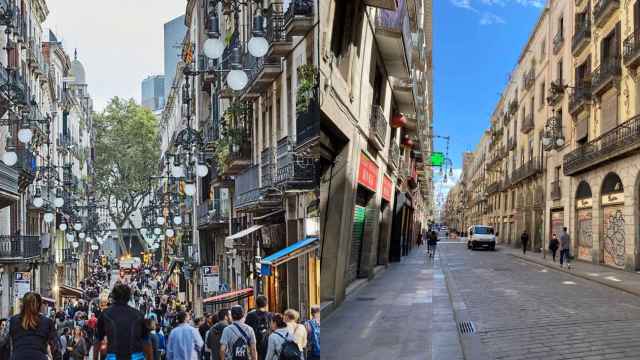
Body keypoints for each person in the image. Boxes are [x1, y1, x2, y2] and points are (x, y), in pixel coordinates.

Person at [95, 283, 152, 360]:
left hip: (113, 356)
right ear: (129, 297)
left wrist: (95, 358)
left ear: (113, 297)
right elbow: (147, 342)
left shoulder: (105, 315)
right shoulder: (139, 315)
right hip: (135, 356)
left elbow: (98, 340)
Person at [5, 292, 63, 360]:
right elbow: (56, 346)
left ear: (23, 305)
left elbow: (5, 344)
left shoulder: (12, 320)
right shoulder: (47, 322)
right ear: (39, 306)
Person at [245, 296, 271, 360]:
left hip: (254, 344)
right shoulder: (271, 315)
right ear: (266, 304)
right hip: (268, 344)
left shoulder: (250, 315)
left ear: (256, 304)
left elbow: (246, 330)